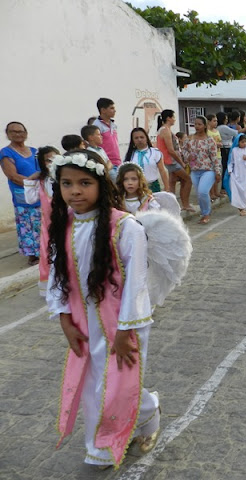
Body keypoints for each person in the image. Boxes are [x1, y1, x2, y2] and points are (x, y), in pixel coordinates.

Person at [46, 150, 160, 469]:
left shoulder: (125, 226)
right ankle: (103, 441)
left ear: (101, 184)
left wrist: (125, 331)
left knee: (119, 382)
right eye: (67, 183)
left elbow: (136, 283)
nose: (75, 191)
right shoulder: (64, 225)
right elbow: (57, 274)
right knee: (94, 383)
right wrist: (65, 319)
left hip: (122, 322)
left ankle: (139, 421)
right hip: (83, 322)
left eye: (84, 183)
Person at [0, 122, 41, 265]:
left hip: (38, 191)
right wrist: (33, 183)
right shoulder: (6, 153)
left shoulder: (34, 151)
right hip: (23, 193)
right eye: (14, 131)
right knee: (27, 223)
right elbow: (13, 176)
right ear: (7, 134)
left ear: (26, 133)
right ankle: (33, 255)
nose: (18, 134)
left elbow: (42, 169)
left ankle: (44, 249)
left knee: (41, 221)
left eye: (21, 131)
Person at [24, 146, 59, 294]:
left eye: (54, 159)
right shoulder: (42, 181)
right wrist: (30, 179)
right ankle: (53, 285)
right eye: (47, 160)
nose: (51, 163)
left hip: (67, 222)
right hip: (49, 225)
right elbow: (30, 199)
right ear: (41, 163)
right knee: (49, 254)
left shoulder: (65, 178)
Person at [182, 115, 220, 224]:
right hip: (194, 171)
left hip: (208, 170)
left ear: (205, 126)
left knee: (203, 191)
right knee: (199, 194)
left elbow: (214, 157)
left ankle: (206, 213)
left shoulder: (209, 140)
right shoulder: (189, 139)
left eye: (199, 124)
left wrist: (217, 172)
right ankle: (203, 213)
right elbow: (183, 150)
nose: (197, 126)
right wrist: (188, 156)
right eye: (195, 124)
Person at [156, 110, 194, 212]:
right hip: (171, 161)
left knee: (172, 183)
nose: (174, 119)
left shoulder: (165, 129)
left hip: (170, 160)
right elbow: (171, 150)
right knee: (188, 180)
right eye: (173, 117)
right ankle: (185, 204)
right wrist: (181, 162)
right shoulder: (165, 130)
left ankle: (173, 206)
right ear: (168, 118)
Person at [123, 128, 169, 194]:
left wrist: (167, 187)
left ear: (146, 138)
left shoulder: (155, 152)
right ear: (132, 140)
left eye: (142, 137)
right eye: (136, 138)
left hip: (152, 186)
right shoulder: (131, 155)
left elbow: (162, 170)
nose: (139, 140)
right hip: (136, 188)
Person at [92, 98, 121, 183]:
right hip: (107, 164)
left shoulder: (113, 124)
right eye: (111, 108)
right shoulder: (97, 126)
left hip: (117, 162)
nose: (114, 110)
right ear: (103, 110)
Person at [226, 134, 246, 216]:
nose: (244, 143)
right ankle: (241, 208)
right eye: (242, 142)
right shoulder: (234, 150)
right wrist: (230, 170)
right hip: (236, 174)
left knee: (245, 191)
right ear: (238, 142)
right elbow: (231, 162)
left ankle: (243, 206)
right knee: (235, 190)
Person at [206, 114, 224, 201]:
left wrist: (219, 144)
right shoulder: (207, 132)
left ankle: (216, 192)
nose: (216, 122)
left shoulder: (217, 131)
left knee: (218, 174)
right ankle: (211, 193)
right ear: (209, 122)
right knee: (211, 175)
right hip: (210, 156)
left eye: (216, 121)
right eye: (214, 121)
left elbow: (220, 141)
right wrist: (216, 144)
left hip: (218, 154)